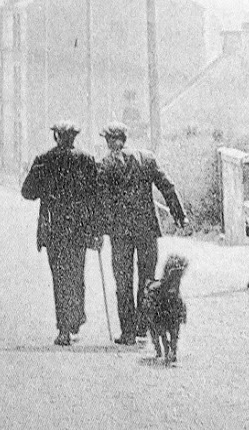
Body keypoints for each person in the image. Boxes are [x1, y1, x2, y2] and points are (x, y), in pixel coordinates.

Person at [95, 121, 186, 345]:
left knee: (123, 280)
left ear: (108, 141)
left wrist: (97, 230)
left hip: (120, 231)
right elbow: (167, 186)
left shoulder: (105, 164)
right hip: (147, 228)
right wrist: (179, 215)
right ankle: (143, 326)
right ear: (124, 139)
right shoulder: (147, 158)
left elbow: (101, 201)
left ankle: (127, 332)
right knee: (148, 279)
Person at [20, 121, 103, 346]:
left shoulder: (44, 159)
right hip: (79, 227)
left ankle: (64, 327)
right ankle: (76, 317)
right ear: (74, 137)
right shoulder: (86, 160)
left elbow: (27, 192)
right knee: (77, 272)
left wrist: (44, 186)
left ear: (57, 136)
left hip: (53, 225)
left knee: (60, 277)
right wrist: (97, 230)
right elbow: (96, 198)